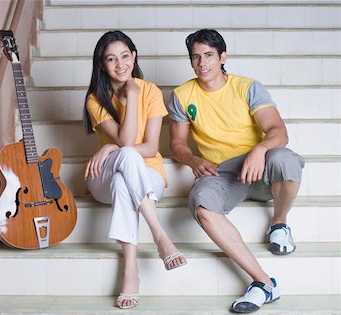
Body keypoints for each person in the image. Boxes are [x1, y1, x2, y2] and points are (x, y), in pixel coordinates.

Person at [167, 29, 305, 313]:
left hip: (259, 168)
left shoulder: (248, 87)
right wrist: (193, 161)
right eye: (196, 57)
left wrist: (258, 150)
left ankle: (279, 224)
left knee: (285, 159)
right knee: (202, 205)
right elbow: (177, 144)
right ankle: (264, 283)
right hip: (223, 175)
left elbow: (279, 132)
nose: (202, 63)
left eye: (208, 55)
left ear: (222, 57)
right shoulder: (182, 95)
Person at [83, 30, 187, 309]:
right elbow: (128, 142)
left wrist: (110, 147)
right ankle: (159, 235)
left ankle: (130, 271)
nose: (120, 65)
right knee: (124, 160)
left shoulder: (150, 90)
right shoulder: (96, 99)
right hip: (101, 178)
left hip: (147, 175)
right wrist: (129, 98)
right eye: (111, 59)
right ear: (102, 65)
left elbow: (151, 148)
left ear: (134, 56)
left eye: (125, 56)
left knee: (122, 180)